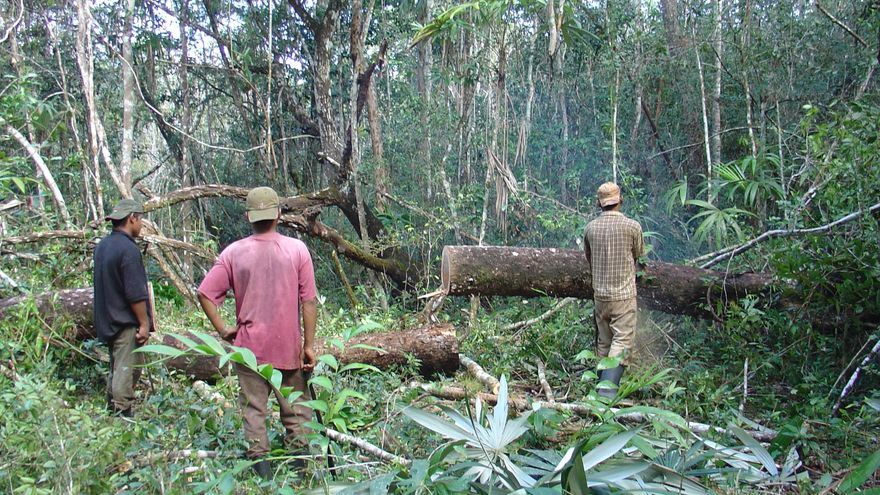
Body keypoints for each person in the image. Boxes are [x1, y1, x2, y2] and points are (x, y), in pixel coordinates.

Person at [197, 186, 318, 480]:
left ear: (249, 216)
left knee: (254, 411)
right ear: (278, 214)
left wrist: (224, 329)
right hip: (287, 347)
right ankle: (298, 475)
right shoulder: (297, 250)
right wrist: (309, 346)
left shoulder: (233, 253)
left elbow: (205, 294)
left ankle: (262, 477)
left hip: (249, 350)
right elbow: (309, 300)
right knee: (296, 411)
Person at [583, 182, 644, 399]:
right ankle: (606, 394)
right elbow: (638, 254)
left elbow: (589, 258)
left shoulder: (590, 228)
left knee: (604, 341)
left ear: (599, 203)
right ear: (620, 200)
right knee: (622, 341)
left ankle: (599, 394)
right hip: (623, 295)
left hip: (600, 295)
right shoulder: (632, 226)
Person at [93, 199, 152, 417]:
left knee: (117, 368)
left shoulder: (103, 246)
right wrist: (144, 323)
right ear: (132, 218)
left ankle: (112, 411)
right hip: (125, 321)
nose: (142, 224)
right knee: (126, 371)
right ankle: (122, 415)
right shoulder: (128, 250)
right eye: (141, 219)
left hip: (107, 318)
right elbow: (135, 293)